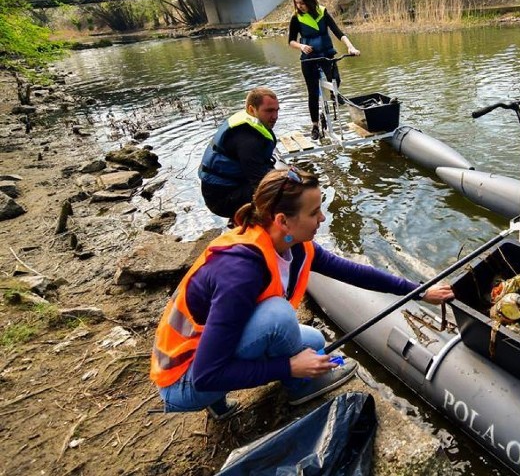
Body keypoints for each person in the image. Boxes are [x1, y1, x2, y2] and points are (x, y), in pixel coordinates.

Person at [151, 167, 454, 419]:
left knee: (314, 341)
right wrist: (289, 367)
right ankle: (299, 388)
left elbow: (353, 271)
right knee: (278, 317)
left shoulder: (290, 244)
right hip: (184, 381)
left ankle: (219, 407)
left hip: (200, 354)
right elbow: (206, 375)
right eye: (314, 212)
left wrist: (419, 291)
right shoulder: (241, 271)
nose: (322, 219)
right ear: (282, 220)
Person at [288, 0, 360, 141]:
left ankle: (334, 97)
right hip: (309, 59)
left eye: (302, 3)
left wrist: (351, 46)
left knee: (336, 80)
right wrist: (301, 46)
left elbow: (338, 32)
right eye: (297, 3)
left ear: (310, 0)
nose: (299, 6)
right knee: (312, 93)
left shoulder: (322, 12)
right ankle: (315, 126)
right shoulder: (296, 17)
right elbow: (291, 41)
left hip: (326, 54)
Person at [198, 87, 279, 220]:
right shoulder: (248, 140)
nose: (275, 116)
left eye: (276, 110)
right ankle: (249, 224)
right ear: (251, 109)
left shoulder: (250, 124)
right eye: (269, 111)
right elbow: (260, 182)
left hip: (231, 186)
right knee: (281, 195)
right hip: (221, 199)